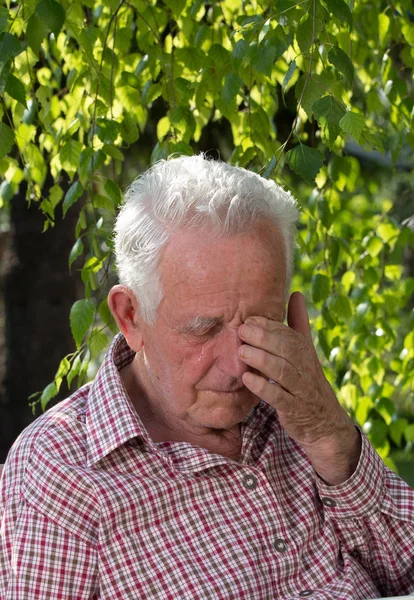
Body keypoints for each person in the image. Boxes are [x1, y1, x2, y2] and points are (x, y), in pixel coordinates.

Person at [0, 154, 413, 600]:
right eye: (204, 329)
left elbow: (404, 571)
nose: (239, 365)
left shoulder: (296, 400)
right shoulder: (65, 471)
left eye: (261, 323)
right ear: (131, 317)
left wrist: (330, 436)